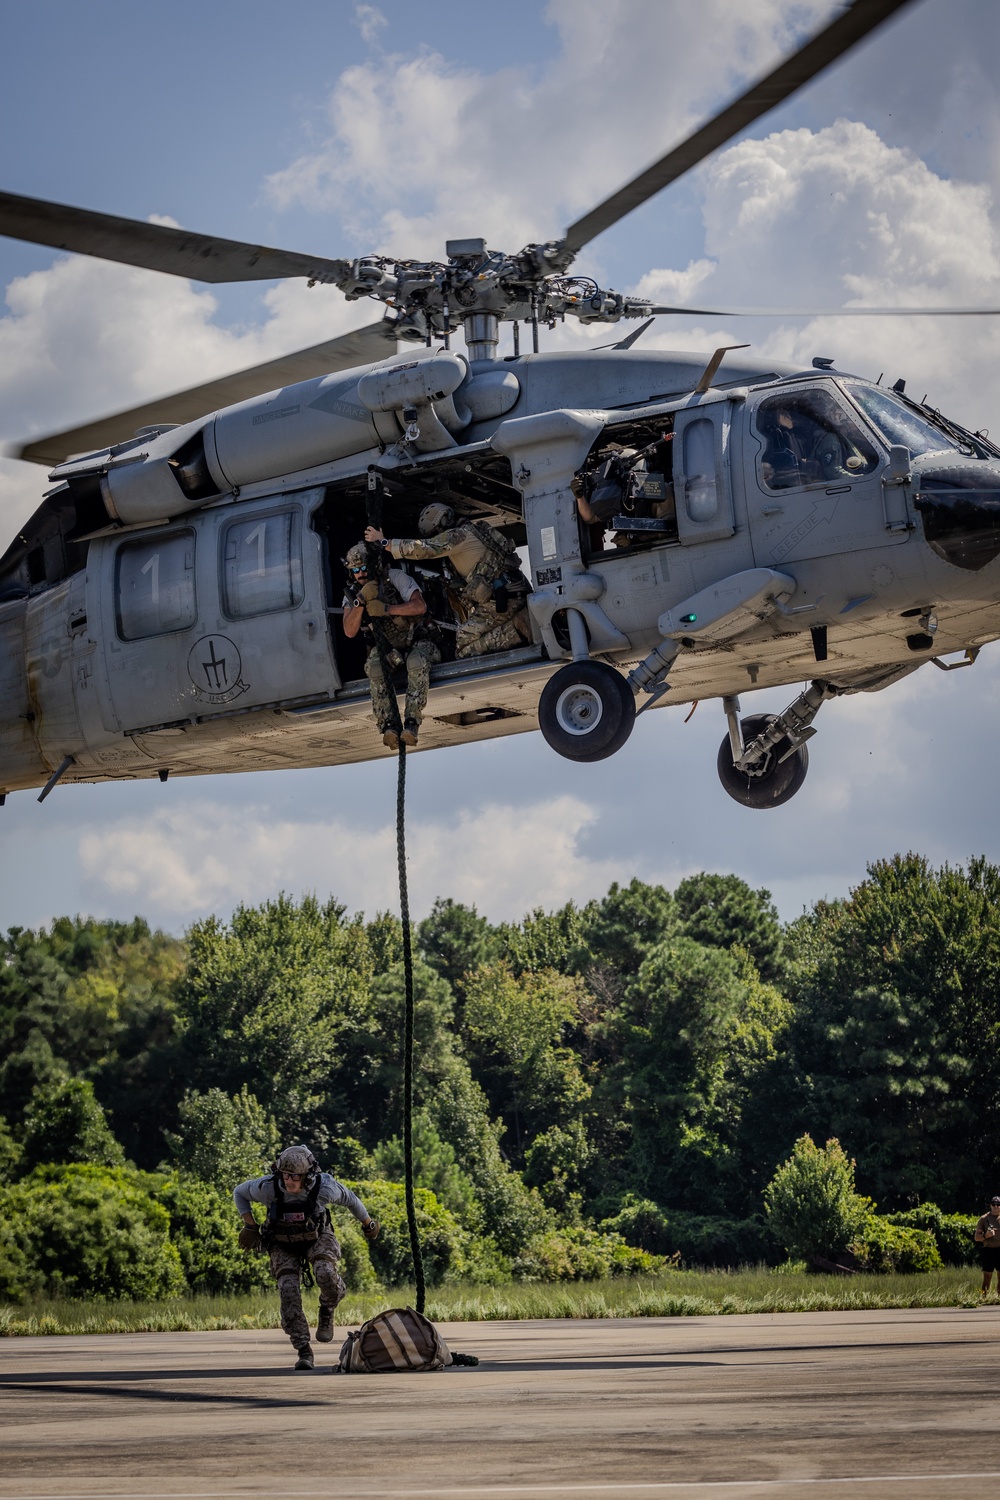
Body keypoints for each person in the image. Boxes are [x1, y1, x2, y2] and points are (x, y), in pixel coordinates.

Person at [234, 1144, 380, 1370]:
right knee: (288, 1289)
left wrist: (368, 1224)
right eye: (284, 1174)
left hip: (317, 1237)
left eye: (294, 1176)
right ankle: (303, 1349)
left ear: (308, 1176)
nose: (288, 1180)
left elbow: (351, 1199)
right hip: (282, 1242)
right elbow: (239, 1193)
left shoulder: (325, 1187)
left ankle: (327, 1307)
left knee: (325, 1272)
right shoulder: (268, 1188)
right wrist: (250, 1226)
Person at [365, 504, 531, 659]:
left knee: (463, 643)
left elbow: (426, 548)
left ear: (442, 523)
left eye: (436, 533)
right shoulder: (472, 533)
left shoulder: (459, 535)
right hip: (511, 594)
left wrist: (385, 543)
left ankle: (518, 627)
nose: (438, 537)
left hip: (504, 599)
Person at [342, 541, 440, 749]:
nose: (360, 574)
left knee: (416, 662)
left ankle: (412, 723)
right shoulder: (353, 595)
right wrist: (361, 600)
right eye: (356, 570)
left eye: (363, 568)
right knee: (375, 668)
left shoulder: (395, 578)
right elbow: (349, 630)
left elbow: (419, 606)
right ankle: (388, 727)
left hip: (418, 641)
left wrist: (387, 609)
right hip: (388, 649)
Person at [975, 1195, 1000, 1298]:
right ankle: (983, 1298)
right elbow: (976, 1237)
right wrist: (986, 1236)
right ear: (990, 1205)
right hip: (989, 1250)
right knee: (987, 1278)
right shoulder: (984, 1219)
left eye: (998, 1205)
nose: (996, 1207)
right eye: (994, 1204)